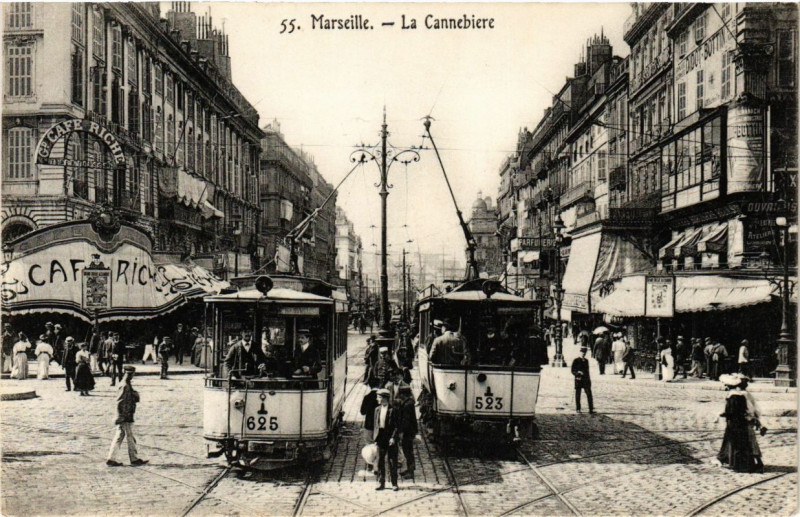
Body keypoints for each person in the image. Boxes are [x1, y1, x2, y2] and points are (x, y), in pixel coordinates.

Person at [106, 366, 148, 467]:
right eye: (132, 374)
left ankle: (112, 458)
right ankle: (133, 459)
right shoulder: (125, 385)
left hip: (126, 414)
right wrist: (121, 416)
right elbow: (120, 402)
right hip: (125, 416)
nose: (132, 376)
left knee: (122, 436)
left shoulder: (126, 384)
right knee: (128, 437)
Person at [717, 374, 757, 472]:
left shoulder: (733, 397)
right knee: (743, 442)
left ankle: (737, 465)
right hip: (741, 422)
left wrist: (723, 414)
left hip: (734, 422)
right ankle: (745, 464)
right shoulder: (741, 396)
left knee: (735, 443)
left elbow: (731, 411)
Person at [373, 388, 399, 491]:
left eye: (379, 397)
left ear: (385, 398)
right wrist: (375, 438)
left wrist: (393, 437)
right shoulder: (377, 409)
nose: (377, 399)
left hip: (390, 437)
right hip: (381, 437)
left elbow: (397, 426)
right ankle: (381, 482)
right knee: (380, 460)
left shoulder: (394, 410)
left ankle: (394, 483)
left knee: (392, 460)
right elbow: (376, 425)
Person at [397, 384, 418, 479]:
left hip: (407, 432)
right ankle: (409, 469)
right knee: (408, 451)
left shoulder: (407, 405)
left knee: (408, 452)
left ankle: (411, 471)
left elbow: (406, 420)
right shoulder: (409, 402)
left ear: (403, 394)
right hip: (410, 431)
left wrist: (402, 432)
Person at [360, 385, 380, 475]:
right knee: (378, 445)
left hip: (369, 425)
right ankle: (377, 465)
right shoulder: (381, 397)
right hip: (379, 425)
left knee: (369, 444)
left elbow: (362, 412)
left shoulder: (367, 397)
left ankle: (370, 464)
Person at [571, 345, 593, 413]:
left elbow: (587, 371)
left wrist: (589, 380)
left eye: (584, 353)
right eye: (582, 352)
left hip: (586, 380)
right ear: (580, 352)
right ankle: (578, 408)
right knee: (578, 394)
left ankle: (591, 409)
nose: (583, 354)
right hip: (578, 379)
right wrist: (577, 372)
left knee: (589, 394)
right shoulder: (576, 360)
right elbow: (572, 370)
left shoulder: (586, 361)